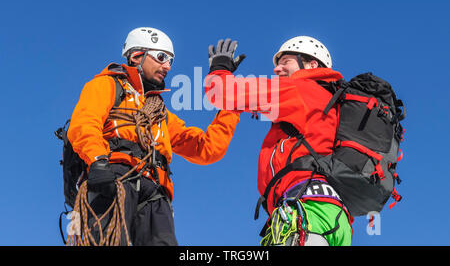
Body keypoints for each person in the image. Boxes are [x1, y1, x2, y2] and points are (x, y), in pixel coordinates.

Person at [67, 27, 241, 246]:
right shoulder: (107, 85)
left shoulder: (159, 114)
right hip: (114, 179)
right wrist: (98, 162)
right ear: (137, 55)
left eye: (170, 61)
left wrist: (232, 104)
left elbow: (206, 149)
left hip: (156, 191)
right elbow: (84, 124)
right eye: (161, 57)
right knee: (108, 241)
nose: (167, 66)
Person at [205, 36, 353, 246]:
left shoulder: (299, 89)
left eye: (286, 62)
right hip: (337, 217)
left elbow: (221, 93)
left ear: (312, 65)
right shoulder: (333, 103)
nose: (277, 69)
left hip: (304, 213)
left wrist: (220, 69)